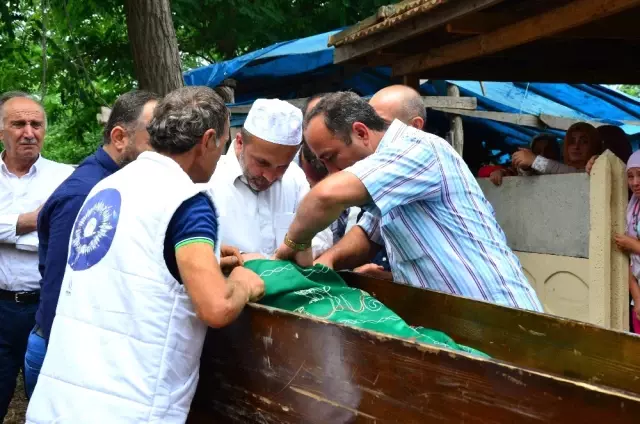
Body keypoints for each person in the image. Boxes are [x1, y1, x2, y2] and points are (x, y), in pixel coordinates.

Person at [26, 86, 264, 423]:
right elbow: (217, 306)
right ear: (208, 140)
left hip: (59, 402)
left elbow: (136, 264)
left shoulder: (107, 187)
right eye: (224, 145)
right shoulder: (188, 202)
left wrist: (202, 265)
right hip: (130, 407)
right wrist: (243, 282)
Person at [274, 91, 542, 312]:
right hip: (460, 320)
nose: (331, 171)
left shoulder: (419, 150)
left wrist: (293, 244)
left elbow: (324, 196)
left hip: (498, 315)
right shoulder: (385, 175)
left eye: (330, 157)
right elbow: (369, 234)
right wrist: (327, 263)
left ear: (361, 133)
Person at [22, 90, 161, 398]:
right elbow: (61, 287)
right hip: (62, 357)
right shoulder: (87, 193)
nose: (166, 148)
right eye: (156, 136)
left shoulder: (121, 182)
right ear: (120, 137)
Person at [0, 91, 74, 421]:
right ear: (1, 130)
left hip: (47, 310)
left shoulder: (65, 178)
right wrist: (27, 221)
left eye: (36, 124)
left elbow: (70, 235)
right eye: (18, 124)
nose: (29, 132)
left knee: (50, 406)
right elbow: (47, 229)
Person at [208, 98, 328, 258]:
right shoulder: (209, 182)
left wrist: (285, 254)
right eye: (262, 162)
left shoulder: (295, 178)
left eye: (282, 166)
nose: (270, 177)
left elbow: (321, 237)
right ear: (240, 142)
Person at [613, 150, 640, 334]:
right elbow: (629, 261)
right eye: (630, 176)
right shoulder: (632, 210)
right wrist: (637, 298)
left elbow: (632, 249)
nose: (635, 182)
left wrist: (634, 245)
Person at [512, 122, 601, 174]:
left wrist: (535, 161)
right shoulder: (555, 170)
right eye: (571, 141)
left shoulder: (595, 168)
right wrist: (526, 167)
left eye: (584, 141)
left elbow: (570, 173)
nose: (576, 146)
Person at [484, 133, 561, 186]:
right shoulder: (527, 169)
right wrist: (500, 173)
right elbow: (512, 172)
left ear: (557, 152)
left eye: (549, 150)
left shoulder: (565, 169)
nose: (542, 155)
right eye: (537, 152)